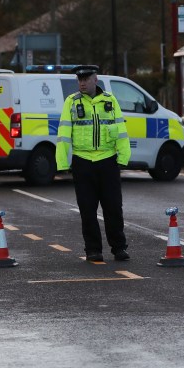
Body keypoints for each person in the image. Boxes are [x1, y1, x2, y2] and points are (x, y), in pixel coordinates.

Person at [56, 65, 132, 262]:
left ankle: (119, 248)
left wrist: (123, 157)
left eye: (86, 79)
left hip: (108, 161)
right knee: (87, 209)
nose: (81, 82)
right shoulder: (71, 102)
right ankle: (93, 249)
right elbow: (64, 133)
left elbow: (121, 131)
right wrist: (62, 162)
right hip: (83, 162)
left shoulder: (109, 100)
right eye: (79, 79)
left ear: (95, 80)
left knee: (113, 208)